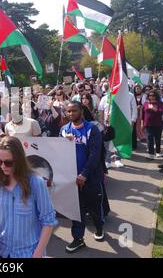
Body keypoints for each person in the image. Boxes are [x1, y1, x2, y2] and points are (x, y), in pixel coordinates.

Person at [0, 136, 58, 258]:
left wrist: (37, 253)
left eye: (8, 162)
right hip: (0, 251)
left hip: (27, 253)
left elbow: (48, 221)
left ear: (19, 160)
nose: (2, 166)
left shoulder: (36, 182)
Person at [60, 102, 106, 253]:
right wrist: (63, 142)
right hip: (73, 179)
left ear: (81, 111)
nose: (71, 114)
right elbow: (57, 153)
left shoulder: (92, 129)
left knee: (94, 207)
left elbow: (95, 155)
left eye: (74, 111)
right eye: (68, 111)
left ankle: (99, 227)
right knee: (76, 210)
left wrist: (84, 174)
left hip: (91, 177)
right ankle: (78, 238)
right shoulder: (64, 130)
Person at [142, 90, 163, 159]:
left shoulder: (160, 103)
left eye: (153, 95)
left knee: (157, 138)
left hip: (158, 123)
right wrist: (142, 122)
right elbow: (143, 113)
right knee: (150, 139)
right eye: (150, 95)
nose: (151, 97)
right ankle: (151, 154)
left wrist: (154, 109)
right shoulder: (146, 103)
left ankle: (158, 152)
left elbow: (162, 112)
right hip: (148, 124)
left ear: (156, 96)